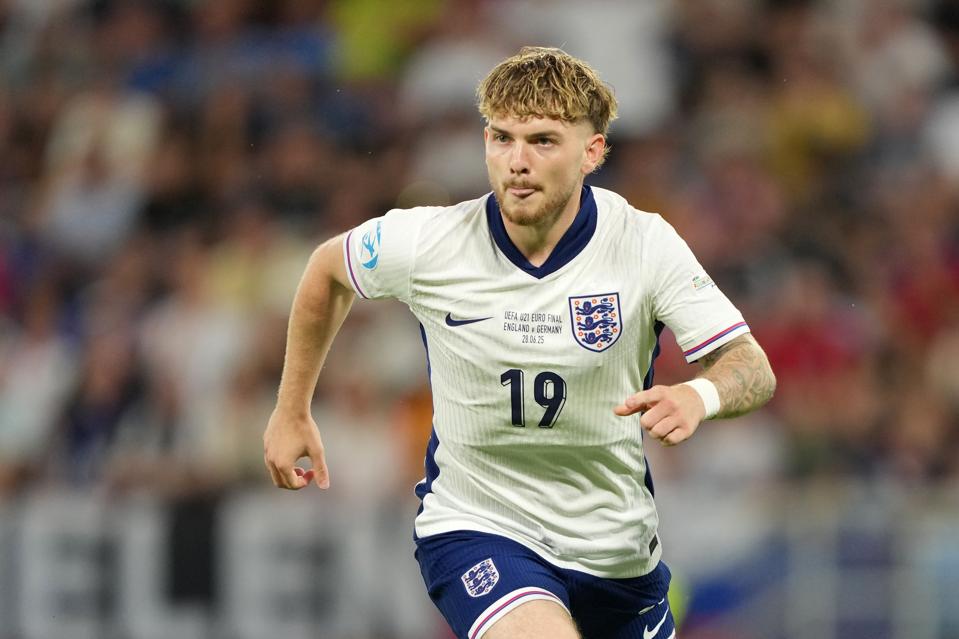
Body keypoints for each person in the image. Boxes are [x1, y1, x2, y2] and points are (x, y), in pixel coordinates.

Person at [263, 46, 776, 639]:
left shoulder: (643, 244)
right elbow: (327, 270)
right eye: (501, 138)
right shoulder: (433, 242)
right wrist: (292, 407)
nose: (518, 162)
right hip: (478, 526)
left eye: (543, 141)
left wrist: (699, 396)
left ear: (593, 151)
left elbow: (751, 367)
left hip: (617, 555)